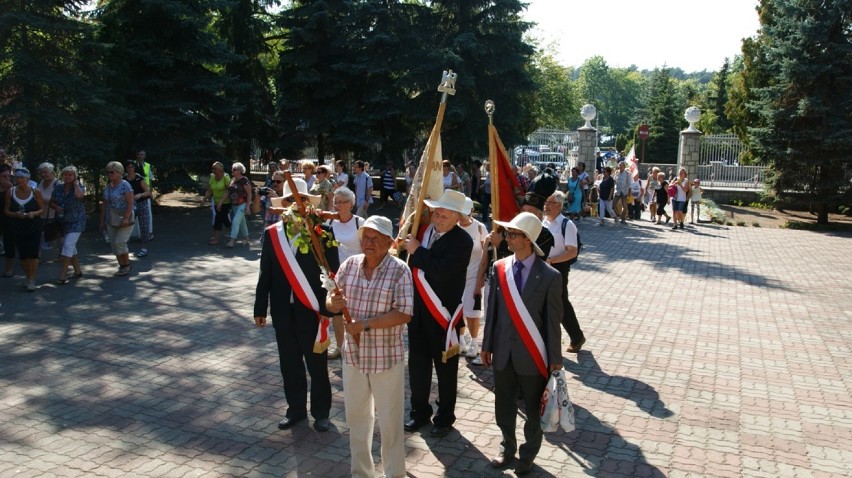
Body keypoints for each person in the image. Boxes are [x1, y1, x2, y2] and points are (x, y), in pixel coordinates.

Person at [326, 215, 412, 478]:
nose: (369, 243)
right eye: (366, 237)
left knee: (390, 422)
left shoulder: (400, 270)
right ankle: (361, 473)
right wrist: (333, 303)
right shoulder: (349, 265)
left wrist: (365, 324)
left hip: (385, 358)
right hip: (353, 357)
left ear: (389, 242)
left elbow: (405, 313)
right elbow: (331, 300)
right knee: (356, 420)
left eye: (376, 239)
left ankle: (394, 474)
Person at [481, 212, 563, 476]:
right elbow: (492, 311)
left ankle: (528, 455)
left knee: (532, 408)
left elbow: (552, 322)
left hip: (533, 354)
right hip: (503, 351)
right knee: (503, 404)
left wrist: (555, 358)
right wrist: (486, 344)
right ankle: (507, 448)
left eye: (513, 234)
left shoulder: (550, 276)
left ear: (528, 240)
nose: (507, 238)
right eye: (507, 233)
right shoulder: (499, 268)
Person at [253, 178, 337, 432]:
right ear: (285, 204)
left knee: (317, 365)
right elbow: (265, 273)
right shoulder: (272, 235)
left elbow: (333, 273)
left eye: (300, 200)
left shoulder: (323, 233)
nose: (295, 205)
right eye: (290, 200)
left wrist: (328, 308)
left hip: (311, 310)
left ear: (307, 204)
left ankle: (321, 412)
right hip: (282, 310)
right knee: (289, 364)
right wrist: (260, 308)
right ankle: (296, 410)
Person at [401, 189, 473, 437]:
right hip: (418, 313)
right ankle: (419, 413)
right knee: (418, 367)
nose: (438, 217)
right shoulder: (423, 231)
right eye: (437, 212)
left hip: (444, 316)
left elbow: (441, 271)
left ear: (457, 217)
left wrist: (417, 250)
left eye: (445, 215)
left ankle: (445, 418)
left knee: (446, 370)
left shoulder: (463, 241)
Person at [542, 191, 586, 353]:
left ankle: (577, 337)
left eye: (550, 203)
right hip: (542, 267)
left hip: (558, 268)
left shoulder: (567, 225)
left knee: (560, 304)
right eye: (546, 202)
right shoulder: (543, 222)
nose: (546, 205)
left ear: (559, 206)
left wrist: (552, 261)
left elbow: (572, 251)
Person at [325, 187, 364, 359]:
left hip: (356, 274)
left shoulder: (359, 223)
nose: (337, 205)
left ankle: (359, 345)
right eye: (335, 202)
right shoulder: (329, 223)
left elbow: (367, 248)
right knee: (336, 312)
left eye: (341, 202)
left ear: (351, 203)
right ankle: (340, 347)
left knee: (356, 311)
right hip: (333, 274)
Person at [4, 168, 45, 290]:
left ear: (28, 179)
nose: (19, 180)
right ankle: (28, 276)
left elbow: (42, 208)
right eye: (17, 178)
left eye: (22, 178)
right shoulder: (10, 192)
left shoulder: (35, 191)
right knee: (23, 255)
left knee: (33, 254)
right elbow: (6, 211)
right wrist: (15, 214)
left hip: (34, 226)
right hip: (18, 227)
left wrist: (34, 213)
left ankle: (32, 279)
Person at [458, 197, 488, 362]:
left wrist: (481, 277)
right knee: (458, 309)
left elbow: (486, 253)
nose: (461, 218)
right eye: (459, 214)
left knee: (471, 310)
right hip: (457, 275)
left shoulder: (479, 228)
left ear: (472, 212)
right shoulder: (453, 227)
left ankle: (474, 342)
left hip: (474, 274)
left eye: (464, 214)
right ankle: (461, 340)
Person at [51, 166, 86, 284]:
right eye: (66, 174)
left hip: (77, 221)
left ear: (75, 176)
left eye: (70, 174)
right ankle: (77, 271)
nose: (68, 177)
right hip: (63, 221)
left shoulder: (79, 186)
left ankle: (63, 273)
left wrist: (76, 184)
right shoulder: (58, 187)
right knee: (71, 247)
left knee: (67, 244)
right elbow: (52, 202)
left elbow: (80, 196)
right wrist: (56, 207)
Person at [100, 161, 135, 276]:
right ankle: (121, 265)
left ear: (119, 173)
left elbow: (130, 203)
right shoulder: (108, 187)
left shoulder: (125, 185)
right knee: (114, 245)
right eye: (108, 172)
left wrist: (126, 218)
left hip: (125, 217)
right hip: (111, 218)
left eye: (112, 172)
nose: (109, 174)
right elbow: (104, 205)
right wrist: (102, 221)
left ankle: (127, 265)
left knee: (120, 242)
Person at [124, 161, 153, 257]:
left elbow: (148, 192)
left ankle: (144, 248)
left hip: (142, 203)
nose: (130, 169)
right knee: (126, 225)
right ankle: (125, 249)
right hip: (129, 204)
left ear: (134, 168)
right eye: (128, 167)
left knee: (144, 225)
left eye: (131, 167)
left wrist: (140, 194)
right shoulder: (124, 180)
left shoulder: (139, 179)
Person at [225, 162, 252, 248]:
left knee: (235, 222)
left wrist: (248, 206)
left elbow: (249, 193)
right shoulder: (232, 180)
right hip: (234, 205)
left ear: (240, 171)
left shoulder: (244, 180)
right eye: (232, 169)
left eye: (234, 169)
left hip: (242, 204)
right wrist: (221, 201)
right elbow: (228, 192)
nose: (232, 170)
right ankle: (247, 239)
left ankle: (232, 240)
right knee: (242, 223)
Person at [203, 161, 231, 245]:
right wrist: (204, 199)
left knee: (218, 218)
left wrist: (221, 202)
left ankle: (216, 238)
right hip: (216, 202)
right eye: (212, 168)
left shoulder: (226, 177)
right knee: (224, 218)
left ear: (220, 170)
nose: (213, 170)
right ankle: (232, 231)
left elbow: (228, 191)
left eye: (215, 169)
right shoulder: (212, 177)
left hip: (226, 202)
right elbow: (209, 190)